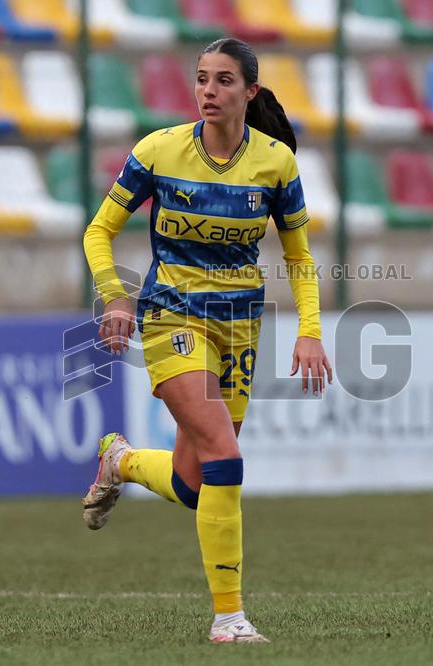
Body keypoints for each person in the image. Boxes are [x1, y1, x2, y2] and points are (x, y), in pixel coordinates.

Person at [80, 37, 332, 644]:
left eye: (223, 81)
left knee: (198, 484)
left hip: (241, 327)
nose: (208, 92)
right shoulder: (158, 152)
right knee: (225, 454)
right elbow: (98, 232)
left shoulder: (276, 163)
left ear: (250, 91)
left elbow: (299, 256)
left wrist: (310, 332)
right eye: (201, 79)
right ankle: (229, 619)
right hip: (171, 318)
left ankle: (120, 460)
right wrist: (115, 295)